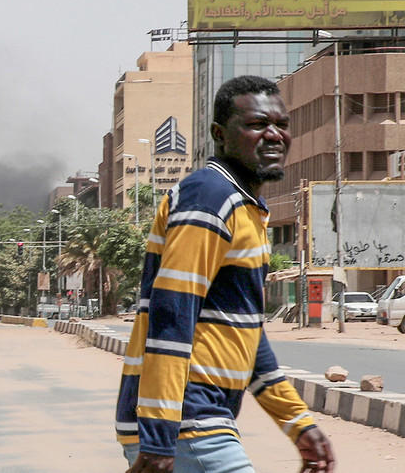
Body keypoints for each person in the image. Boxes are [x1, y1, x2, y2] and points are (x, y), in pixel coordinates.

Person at [116, 75, 335, 473]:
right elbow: (172, 312)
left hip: (198, 418)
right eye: (255, 125)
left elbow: (247, 332)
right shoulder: (211, 196)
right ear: (220, 134)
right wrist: (161, 437)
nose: (273, 136)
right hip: (187, 419)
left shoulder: (246, 206)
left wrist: (297, 422)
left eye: (281, 125)